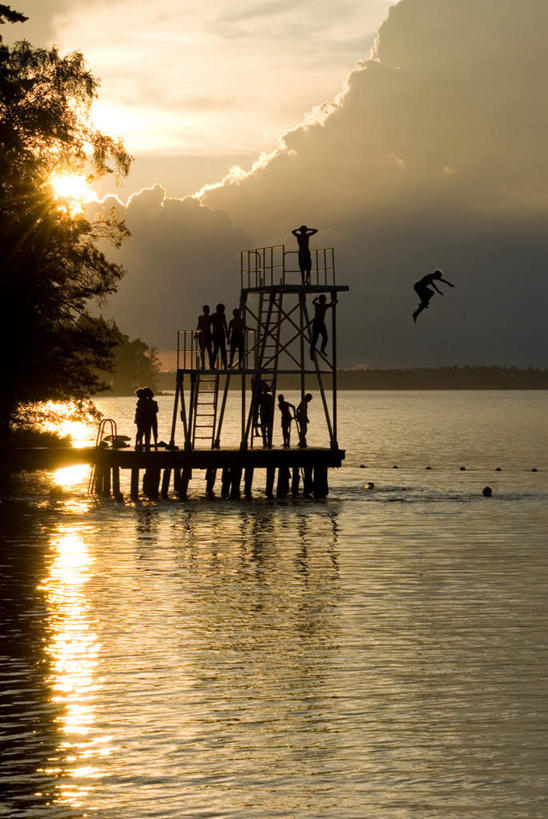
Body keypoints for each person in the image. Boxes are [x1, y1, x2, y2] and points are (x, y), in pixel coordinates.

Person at [310, 294, 337, 358]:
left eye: (324, 300)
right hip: (317, 324)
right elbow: (313, 302)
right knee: (315, 340)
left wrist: (335, 301)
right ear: (321, 300)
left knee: (324, 338)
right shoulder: (319, 305)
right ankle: (312, 354)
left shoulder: (323, 306)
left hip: (320, 324)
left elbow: (331, 304)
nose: (324, 301)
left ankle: (322, 349)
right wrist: (334, 301)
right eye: (323, 300)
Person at [211, 303, 228, 369]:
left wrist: (226, 332)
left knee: (223, 350)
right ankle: (212, 365)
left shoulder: (223, 315)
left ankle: (225, 365)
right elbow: (209, 324)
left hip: (221, 333)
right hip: (216, 334)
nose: (223, 310)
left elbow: (224, 324)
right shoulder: (213, 316)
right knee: (216, 350)